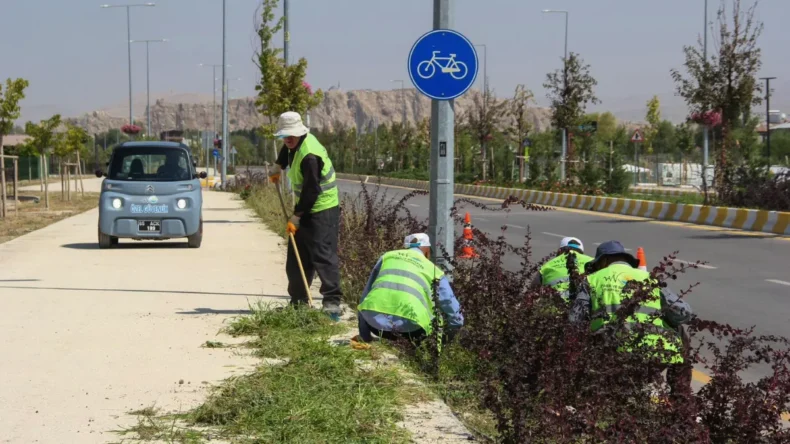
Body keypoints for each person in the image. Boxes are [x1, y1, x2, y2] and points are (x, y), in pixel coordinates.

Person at [569, 240, 693, 396]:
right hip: (658, 353)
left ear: (604, 261)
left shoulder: (592, 279)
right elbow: (683, 313)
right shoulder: (651, 279)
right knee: (679, 331)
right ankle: (681, 396)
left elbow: (574, 321)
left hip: (613, 353)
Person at [269, 111, 342, 319]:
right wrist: (278, 165)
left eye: (291, 135)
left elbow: (312, 191)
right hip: (306, 206)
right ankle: (299, 302)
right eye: (284, 135)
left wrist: (296, 217)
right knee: (297, 255)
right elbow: (287, 149)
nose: (288, 139)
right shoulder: (294, 143)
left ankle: (332, 303)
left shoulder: (310, 156)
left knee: (322, 255)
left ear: (300, 133)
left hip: (323, 209)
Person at [357, 233, 464, 344]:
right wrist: (451, 334)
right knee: (436, 316)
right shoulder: (433, 270)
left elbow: (365, 295)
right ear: (427, 249)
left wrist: (364, 336)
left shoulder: (387, 257)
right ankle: (425, 350)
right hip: (411, 332)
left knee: (371, 299)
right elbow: (449, 304)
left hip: (375, 326)